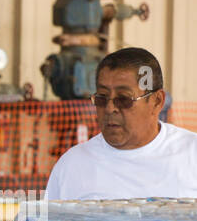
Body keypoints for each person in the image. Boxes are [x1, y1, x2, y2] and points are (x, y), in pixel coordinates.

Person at [45, 47, 197, 200]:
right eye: (102, 98)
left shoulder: (191, 155)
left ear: (157, 102)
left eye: (124, 99)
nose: (110, 108)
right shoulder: (72, 166)